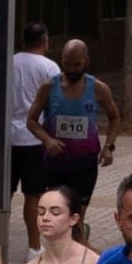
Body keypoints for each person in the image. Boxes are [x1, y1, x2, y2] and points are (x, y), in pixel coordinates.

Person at [26, 38, 122, 219]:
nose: (71, 70)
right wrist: (47, 140)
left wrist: (108, 146)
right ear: (61, 60)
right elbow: (31, 121)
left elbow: (115, 117)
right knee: (57, 215)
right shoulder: (49, 87)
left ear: (87, 61)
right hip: (54, 163)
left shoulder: (98, 88)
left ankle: (79, 234)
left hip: (84, 164)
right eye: (67, 64)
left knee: (76, 217)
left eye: (77, 65)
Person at [10, 22, 64, 250]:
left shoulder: (10, 62)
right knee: (33, 195)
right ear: (45, 40)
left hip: (8, 138)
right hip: (35, 138)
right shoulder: (49, 67)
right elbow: (57, 103)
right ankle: (33, 247)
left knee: (5, 195)